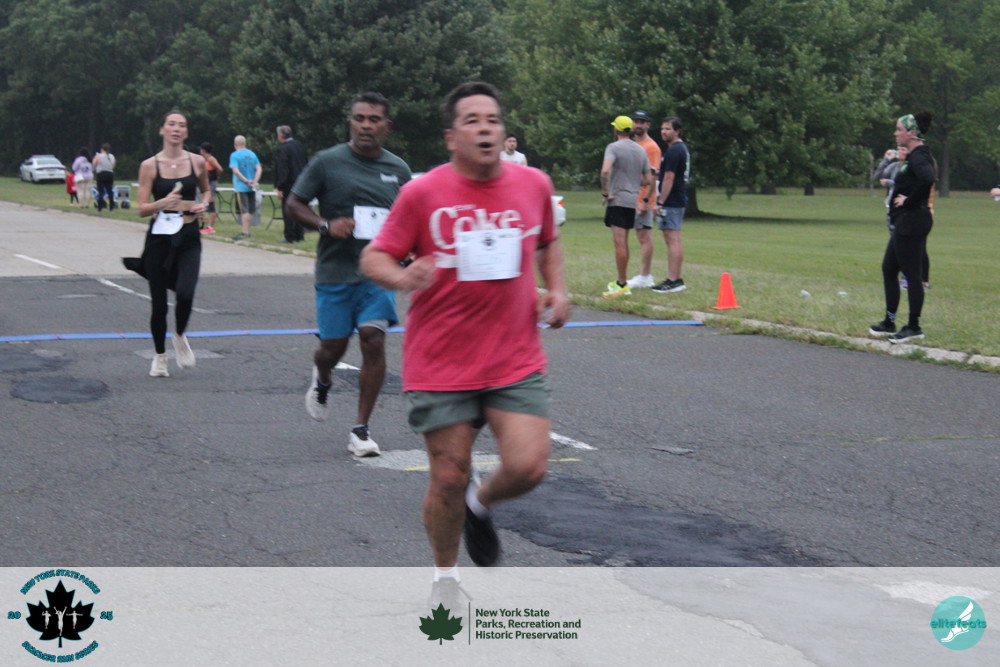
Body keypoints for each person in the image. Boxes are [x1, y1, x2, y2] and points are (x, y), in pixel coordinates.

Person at [360, 81, 570, 584]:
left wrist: (557, 289)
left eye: (492, 120)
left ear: (504, 132)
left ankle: (481, 502)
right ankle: (445, 577)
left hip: (513, 355)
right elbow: (374, 256)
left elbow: (547, 241)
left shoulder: (533, 184)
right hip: (443, 360)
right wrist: (403, 276)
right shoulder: (423, 193)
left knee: (529, 467)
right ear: (452, 137)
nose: (484, 129)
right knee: (449, 476)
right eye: (472, 121)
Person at [285, 91, 411, 457]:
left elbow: (409, 218)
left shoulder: (398, 170)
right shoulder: (328, 162)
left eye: (374, 120)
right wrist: (326, 225)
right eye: (359, 118)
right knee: (332, 348)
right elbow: (293, 204)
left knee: (373, 339)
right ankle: (323, 377)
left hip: (378, 273)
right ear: (350, 122)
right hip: (335, 270)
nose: (365, 126)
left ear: (387, 126)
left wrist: (409, 250)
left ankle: (360, 429)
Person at [131, 110, 211, 377]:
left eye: (181, 125)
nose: (176, 129)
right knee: (159, 303)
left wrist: (203, 204)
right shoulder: (149, 165)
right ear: (162, 129)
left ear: (186, 132)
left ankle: (179, 335)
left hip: (188, 235)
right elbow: (141, 208)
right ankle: (159, 356)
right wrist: (163, 203)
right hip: (160, 237)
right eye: (171, 124)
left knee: (186, 292)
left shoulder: (197, 161)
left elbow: (206, 190)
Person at [869, 111, 936, 343]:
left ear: (912, 132)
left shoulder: (919, 155)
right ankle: (889, 322)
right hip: (905, 221)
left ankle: (914, 327)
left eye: (899, 129)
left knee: (912, 274)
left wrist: (909, 201)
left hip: (913, 220)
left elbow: (928, 178)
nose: (895, 133)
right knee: (889, 269)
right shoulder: (914, 155)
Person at [600, 115, 652, 298]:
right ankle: (621, 281)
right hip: (632, 200)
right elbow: (648, 179)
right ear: (630, 130)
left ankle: (621, 284)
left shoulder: (613, 147)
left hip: (617, 199)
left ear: (616, 129)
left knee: (619, 242)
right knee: (625, 242)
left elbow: (605, 171)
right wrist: (633, 181)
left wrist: (605, 193)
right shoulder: (640, 150)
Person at [874, 146, 931, 290]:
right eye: (899, 149)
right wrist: (886, 160)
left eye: (904, 149)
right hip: (893, 209)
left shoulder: (913, 167)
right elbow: (878, 177)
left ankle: (913, 280)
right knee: (896, 246)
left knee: (909, 246)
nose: (900, 152)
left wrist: (890, 183)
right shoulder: (895, 166)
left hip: (909, 211)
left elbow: (912, 185)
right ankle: (905, 279)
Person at [652, 116, 690, 293]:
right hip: (677, 198)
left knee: (672, 238)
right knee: (673, 238)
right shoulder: (679, 149)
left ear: (677, 131)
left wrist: (660, 201)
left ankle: (674, 280)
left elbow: (669, 177)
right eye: (662, 128)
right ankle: (674, 278)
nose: (663, 132)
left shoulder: (675, 150)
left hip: (672, 200)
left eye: (668, 129)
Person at [626, 110, 661, 289]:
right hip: (631, 197)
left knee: (644, 237)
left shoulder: (651, 147)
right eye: (636, 121)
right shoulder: (634, 144)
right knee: (636, 236)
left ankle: (645, 276)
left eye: (642, 122)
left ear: (648, 125)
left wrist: (646, 201)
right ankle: (641, 275)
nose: (638, 125)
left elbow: (653, 176)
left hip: (642, 199)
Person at [274, 125, 308, 243]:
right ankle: (300, 234)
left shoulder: (283, 149)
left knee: (288, 210)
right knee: (299, 208)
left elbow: (283, 169)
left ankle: (290, 235)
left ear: (281, 135)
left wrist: (280, 187)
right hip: (302, 182)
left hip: (289, 184)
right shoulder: (300, 146)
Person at [229, 135, 261, 240]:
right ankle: (247, 230)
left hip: (241, 187)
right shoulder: (252, 154)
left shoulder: (234, 155)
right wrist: (254, 181)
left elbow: (235, 171)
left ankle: (245, 232)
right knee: (251, 210)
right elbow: (259, 169)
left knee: (244, 210)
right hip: (252, 187)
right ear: (245, 143)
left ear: (235, 144)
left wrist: (246, 181)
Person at [199, 142, 224, 234]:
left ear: (203, 150)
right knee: (204, 203)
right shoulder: (204, 159)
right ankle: (204, 224)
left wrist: (215, 176)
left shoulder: (211, 159)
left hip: (211, 183)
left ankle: (210, 227)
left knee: (210, 203)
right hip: (206, 183)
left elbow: (220, 169)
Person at [92, 143, 116, 211]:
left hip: (101, 173)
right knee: (109, 191)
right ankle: (111, 207)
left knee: (100, 191)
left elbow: (94, 164)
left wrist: (95, 169)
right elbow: (113, 166)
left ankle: (100, 208)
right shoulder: (111, 156)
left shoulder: (98, 156)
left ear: (102, 149)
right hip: (110, 174)